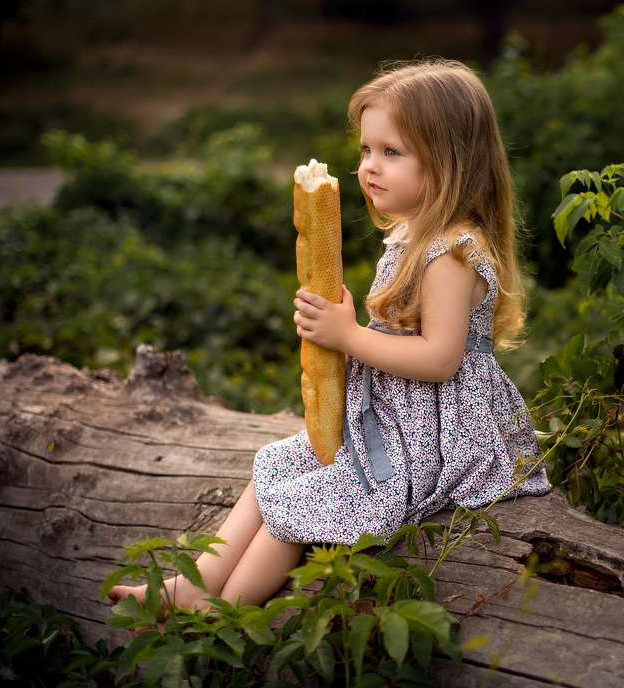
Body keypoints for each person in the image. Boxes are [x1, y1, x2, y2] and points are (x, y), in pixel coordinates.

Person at [108, 58, 550, 611]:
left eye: (392, 152)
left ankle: (221, 609)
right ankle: (191, 583)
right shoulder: (415, 234)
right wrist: (340, 325)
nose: (369, 167)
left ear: (449, 162)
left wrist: (347, 336)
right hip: (398, 419)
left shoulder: (451, 252)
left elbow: (439, 359)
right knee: (275, 465)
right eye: (367, 150)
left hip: (441, 434)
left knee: (307, 498)